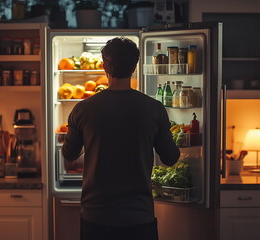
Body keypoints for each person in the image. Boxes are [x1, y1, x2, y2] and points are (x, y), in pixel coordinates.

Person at [62, 37, 180, 240]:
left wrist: (87, 138)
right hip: (138, 217)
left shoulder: (82, 109)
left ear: (104, 66)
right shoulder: (154, 109)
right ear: (134, 66)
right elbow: (170, 157)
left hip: (96, 217)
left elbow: (69, 154)